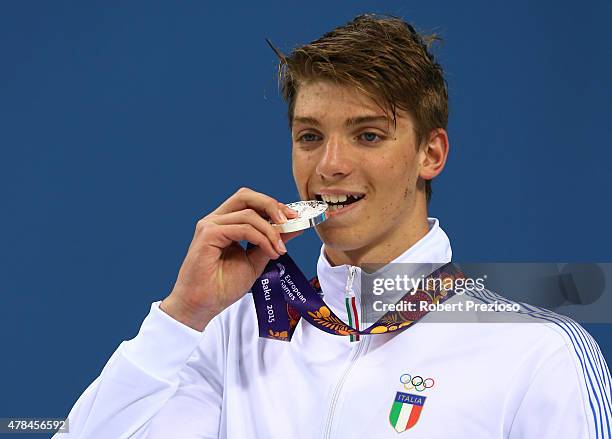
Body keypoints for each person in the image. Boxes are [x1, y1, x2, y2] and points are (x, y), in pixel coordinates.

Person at [55, 14, 611, 439]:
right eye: (310, 136)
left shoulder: (538, 355)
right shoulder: (234, 334)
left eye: (368, 135)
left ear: (430, 153)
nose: (329, 166)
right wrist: (183, 315)